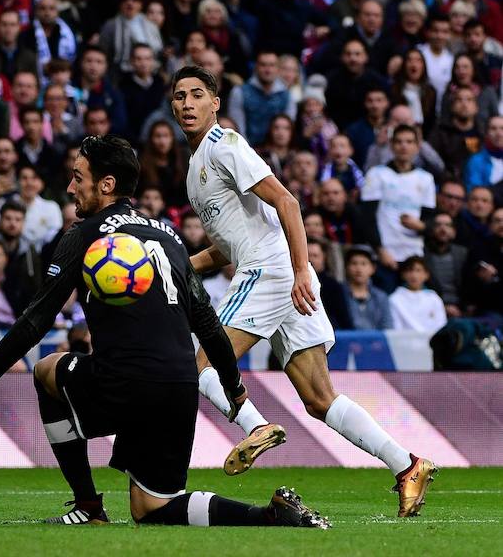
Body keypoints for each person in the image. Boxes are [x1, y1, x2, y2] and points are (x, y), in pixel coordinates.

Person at [0, 134, 329, 529]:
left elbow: (35, 321)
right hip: (178, 386)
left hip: (123, 384)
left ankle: (87, 504)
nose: (70, 188)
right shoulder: (168, 236)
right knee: (152, 508)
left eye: (78, 178)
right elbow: (206, 323)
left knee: (46, 370)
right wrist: (235, 389)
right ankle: (268, 516)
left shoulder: (84, 236)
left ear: (106, 185)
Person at [170, 65, 435, 517]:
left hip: (272, 272)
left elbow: (288, 202)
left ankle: (254, 427)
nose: (187, 103)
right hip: (280, 273)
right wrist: (173, 268)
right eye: (179, 96)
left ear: (216, 104)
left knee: (202, 364)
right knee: (318, 398)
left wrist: (296, 272)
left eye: (198, 94)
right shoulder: (196, 168)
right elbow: (225, 246)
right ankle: (406, 464)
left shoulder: (225, 145)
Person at [362, 125, 437, 281]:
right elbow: (367, 217)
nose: (404, 146)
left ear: (417, 146)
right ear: (391, 145)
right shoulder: (376, 174)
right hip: (385, 253)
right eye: (399, 142)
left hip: (415, 255)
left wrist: (421, 226)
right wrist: (380, 249)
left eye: (409, 142)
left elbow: (430, 219)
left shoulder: (426, 179)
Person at [424, 213, 469, 317]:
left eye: (447, 225)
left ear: (454, 231)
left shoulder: (463, 254)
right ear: (431, 230)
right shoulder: (422, 255)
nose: (443, 229)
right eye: (438, 225)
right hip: (432, 308)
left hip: (461, 308)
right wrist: (442, 306)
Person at [389, 256, 448, 333]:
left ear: (426, 275)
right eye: (410, 270)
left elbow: (441, 325)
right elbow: (396, 329)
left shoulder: (434, 298)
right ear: (403, 275)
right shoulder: (394, 299)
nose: (414, 275)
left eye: (418, 270)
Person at [342, 245, 394, 330]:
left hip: (376, 343)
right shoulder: (338, 294)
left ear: (373, 268)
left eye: (364, 263)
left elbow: (387, 326)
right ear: (347, 267)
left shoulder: (381, 297)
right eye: (354, 263)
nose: (358, 269)